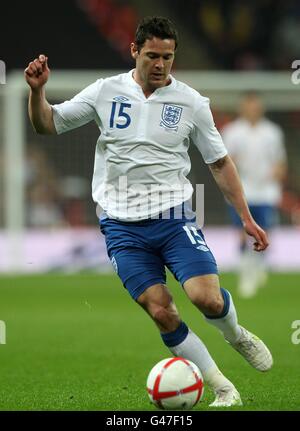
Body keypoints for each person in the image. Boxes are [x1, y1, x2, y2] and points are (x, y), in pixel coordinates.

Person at [24, 16, 273, 407]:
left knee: (206, 298)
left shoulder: (191, 102)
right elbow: (47, 125)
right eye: (153, 55)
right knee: (161, 310)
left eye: (168, 57)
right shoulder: (106, 91)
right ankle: (222, 387)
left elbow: (220, 163)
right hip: (121, 226)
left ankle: (235, 334)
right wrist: (37, 93)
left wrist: (245, 216)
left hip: (173, 218)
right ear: (134, 51)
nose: (160, 65)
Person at [222, 92, 287, 298]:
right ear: (242, 108)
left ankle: (258, 267)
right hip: (242, 191)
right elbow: (223, 161)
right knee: (242, 232)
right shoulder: (232, 132)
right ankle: (244, 271)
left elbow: (280, 161)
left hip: (266, 191)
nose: (253, 110)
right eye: (249, 106)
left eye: (256, 106)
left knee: (264, 232)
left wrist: (277, 173)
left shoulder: (272, 132)